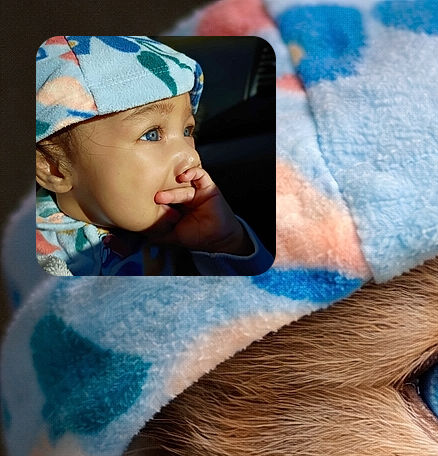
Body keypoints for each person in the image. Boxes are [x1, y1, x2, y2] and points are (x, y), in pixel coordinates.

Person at [34, 35, 272, 276]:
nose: (192, 157)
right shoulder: (37, 262)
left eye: (188, 130)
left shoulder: (189, 230)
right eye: (151, 135)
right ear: (53, 166)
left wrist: (226, 244)